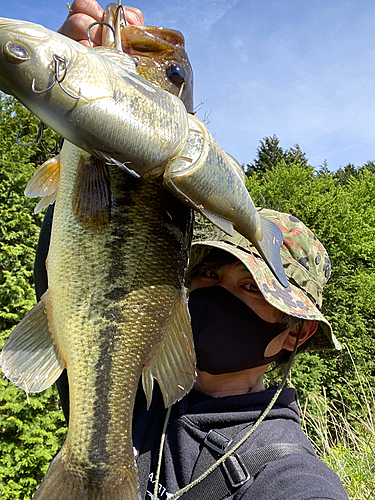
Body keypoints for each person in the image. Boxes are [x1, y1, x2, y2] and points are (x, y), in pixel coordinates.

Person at [34, 2, 349, 499]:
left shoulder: (288, 477)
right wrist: (66, 94)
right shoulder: (134, 397)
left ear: (296, 331)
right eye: (206, 276)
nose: (214, 295)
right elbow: (77, 272)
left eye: (248, 287)